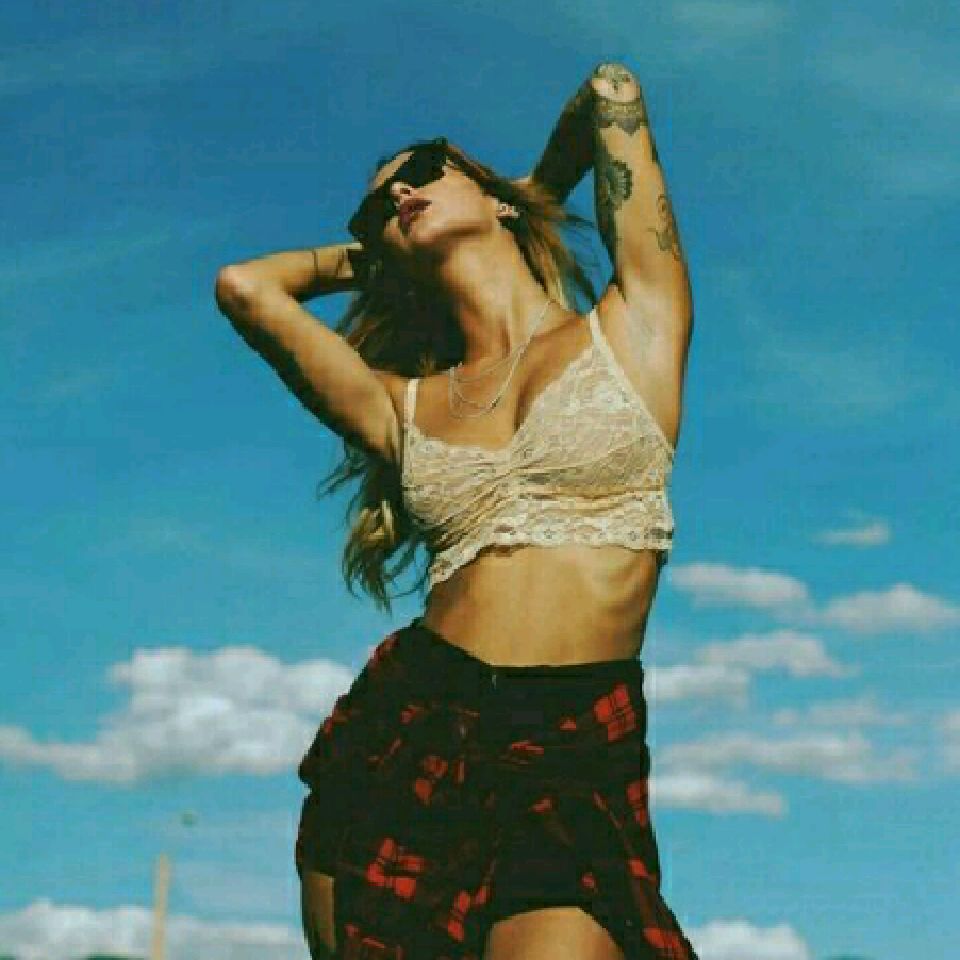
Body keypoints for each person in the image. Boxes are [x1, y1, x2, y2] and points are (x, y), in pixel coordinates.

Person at [215, 61, 696, 960]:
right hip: (411, 725)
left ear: (495, 195)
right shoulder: (396, 406)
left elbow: (612, 93)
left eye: (423, 168)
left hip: (570, 739)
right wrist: (385, 255)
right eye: (376, 204)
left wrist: (534, 192)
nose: (399, 193)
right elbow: (245, 286)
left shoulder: (636, 324)